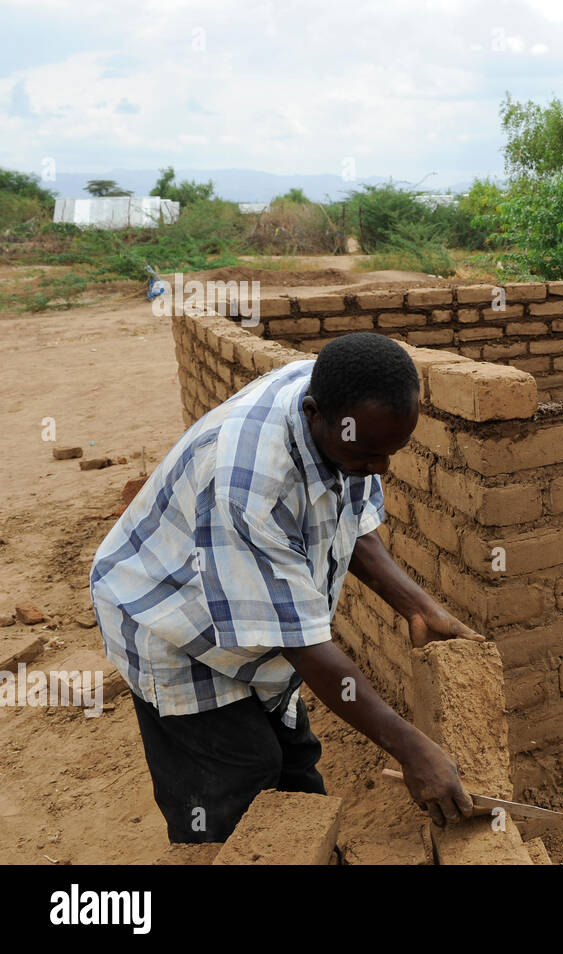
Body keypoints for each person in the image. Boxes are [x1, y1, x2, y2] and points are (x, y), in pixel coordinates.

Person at [90, 332, 479, 843]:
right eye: (369, 454)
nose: (382, 468)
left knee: (295, 765)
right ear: (315, 413)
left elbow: (349, 516)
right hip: (171, 618)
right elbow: (303, 645)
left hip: (246, 612)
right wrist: (411, 748)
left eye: (393, 452)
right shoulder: (252, 484)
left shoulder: (346, 418)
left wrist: (418, 608)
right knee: (238, 784)